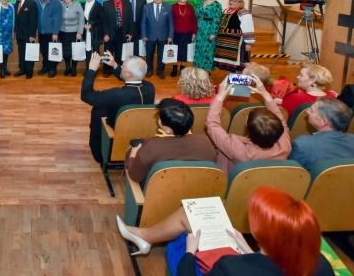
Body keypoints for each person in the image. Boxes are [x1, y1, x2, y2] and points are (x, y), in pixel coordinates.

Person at [117, 187, 335, 276]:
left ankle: (146, 238)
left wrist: (190, 252)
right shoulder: (321, 265)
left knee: (183, 241)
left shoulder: (231, 266)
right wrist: (247, 250)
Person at [205, 75, 291, 174]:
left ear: (246, 123)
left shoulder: (238, 151)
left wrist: (220, 96)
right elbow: (281, 120)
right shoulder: (285, 145)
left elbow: (212, 124)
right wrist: (265, 94)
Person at [81, 52, 155, 163]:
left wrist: (91, 70)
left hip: (113, 145)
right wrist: (114, 65)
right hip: (139, 131)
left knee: (98, 110)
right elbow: (131, 80)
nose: (120, 66)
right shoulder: (150, 88)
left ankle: (99, 146)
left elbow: (87, 95)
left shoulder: (116, 94)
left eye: (123, 66)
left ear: (128, 74)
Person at [125, 98, 217, 183]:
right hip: (197, 190)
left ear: (169, 130)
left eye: (159, 118)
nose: (158, 119)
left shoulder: (152, 146)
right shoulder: (205, 140)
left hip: (159, 194)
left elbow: (135, 176)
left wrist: (133, 152)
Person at [289, 98, 354, 173]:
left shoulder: (302, 145)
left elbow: (293, 176)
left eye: (312, 111)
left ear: (324, 121)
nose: (307, 111)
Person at [214, 0, 255, 72]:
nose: (231, 2)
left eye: (234, 1)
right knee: (231, 64)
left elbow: (248, 27)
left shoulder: (243, 12)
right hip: (225, 41)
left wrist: (248, 43)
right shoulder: (226, 10)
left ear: (240, 3)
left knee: (240, 62)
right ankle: (232, 77)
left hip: (236, 42)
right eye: (230, 0)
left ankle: (243, 78)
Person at [101, 0, 134, 78]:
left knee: (120, 53)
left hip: (122, 32)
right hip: (110, 33)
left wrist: (130, 33)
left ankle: (118, 70)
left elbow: (131, 20)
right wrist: (105, 34)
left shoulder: (128, 4)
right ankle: (107, 70)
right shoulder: (106, 4)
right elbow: (104, 21)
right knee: (108, 52)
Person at [140, 0, 172, 79]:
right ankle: (149, 70)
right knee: (149, 54)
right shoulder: (146, 7)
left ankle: (160, 70)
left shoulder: (168, 7)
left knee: (162, 54)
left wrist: (170, 36)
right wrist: (143, 35)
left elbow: (171, 23)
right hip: (150, 35)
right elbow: (143, 22)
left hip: (163, 35)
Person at [193, 0, 221, 72]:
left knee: (207, 50)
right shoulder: (200, 2)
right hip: (199, 28)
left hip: (209, 29)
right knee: (199, 49)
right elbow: (196, 16)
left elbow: (217, 20)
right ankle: (198, 70)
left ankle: (206, 71)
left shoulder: (216, 5)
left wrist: (214, 33)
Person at [170, 0, 197, 78]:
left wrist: (194, 33)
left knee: (184, 52)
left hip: (187, 33)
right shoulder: (173, 6)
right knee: (175, 51)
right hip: (175, 33)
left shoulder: (190, 7)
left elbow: (194, 20)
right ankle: (174, 68)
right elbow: (170, 21)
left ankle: (182, 68)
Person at [13, 0, 38, 79]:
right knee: (21, 52)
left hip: (28, 33)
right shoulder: (17, 2)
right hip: (19, 33)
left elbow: (33, 20)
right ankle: (22, 69)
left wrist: (32, 35)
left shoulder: (31, 3)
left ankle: (29, 71)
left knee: (29, 53)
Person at [36, 0, 61, 78]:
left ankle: (52, 68)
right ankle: (45, 66)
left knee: (52, 52)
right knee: (43, 50)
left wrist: (55, 33)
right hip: (41, 31)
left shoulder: (56, 3)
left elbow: (57, 19)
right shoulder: (37, 0)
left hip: (51, 32)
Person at [58, 0, 84, 77]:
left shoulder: (77, 5)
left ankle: (73, 68)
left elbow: (81, 19)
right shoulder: (60, 4)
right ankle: (67, 68)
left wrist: (80, 32)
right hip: (63, 31)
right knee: (65, 51)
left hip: (74, 32)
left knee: (74, 51)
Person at [81, 0, 105, 70]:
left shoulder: (98, 5)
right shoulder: (82, 5)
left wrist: (92, 24)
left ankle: (94, 70)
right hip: (86, 31)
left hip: (96, 32)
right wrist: (83, 24)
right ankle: (88, 69)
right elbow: (81, 18)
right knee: (87, 51)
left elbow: (102, 18)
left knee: (95, 52)